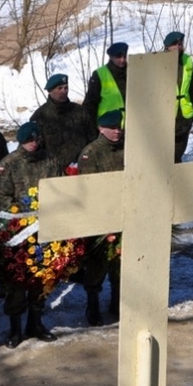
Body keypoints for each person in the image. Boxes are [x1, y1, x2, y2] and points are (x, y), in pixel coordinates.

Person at [0, 122, 63, 348]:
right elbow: (3, 199)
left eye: (36, 139)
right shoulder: (9, 164)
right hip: (18, 232)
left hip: (46, 228)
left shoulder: (50, 160)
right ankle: (15, 329)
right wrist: (25, 214)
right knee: (16, 280)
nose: (33, 143)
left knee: (41, 277)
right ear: (22, 141)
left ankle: (36, 322)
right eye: (29, 140)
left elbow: (61, 188)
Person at [77, 110, 125, 326]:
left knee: (120, 262)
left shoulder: (127, 148)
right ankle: (93, 304)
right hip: (100, 218)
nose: (117, 131)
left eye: (118, 127)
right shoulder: (90, 153)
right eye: (112, 128)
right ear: (101, 129)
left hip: (125, 214)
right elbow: (90, 188)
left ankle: (117, 302)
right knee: (97, 264)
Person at [30, 73, 98, 169]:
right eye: (59, 88)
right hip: (53, 171)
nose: (64, 91)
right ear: (50, 91)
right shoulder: (40, 116)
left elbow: (93, 139)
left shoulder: (80, 112)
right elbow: (35, 148)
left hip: (81, 167)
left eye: (66, 88)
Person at [163, 31, 193, 163]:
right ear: (167, 46)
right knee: (163, 159)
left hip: (184, 119)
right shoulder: (158, 62)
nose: (178, 46)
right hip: (164, 119)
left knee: (176, 156)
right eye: (174, 44)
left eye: (180, 44)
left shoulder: (188, 61)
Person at [82, 42, 129, 123]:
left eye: (124, 56)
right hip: (108, 127)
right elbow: (90, 104)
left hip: (131, 126)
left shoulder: (133, 70)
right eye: (118, 57)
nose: (123, 60)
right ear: (111, 57)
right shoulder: (99, 74)